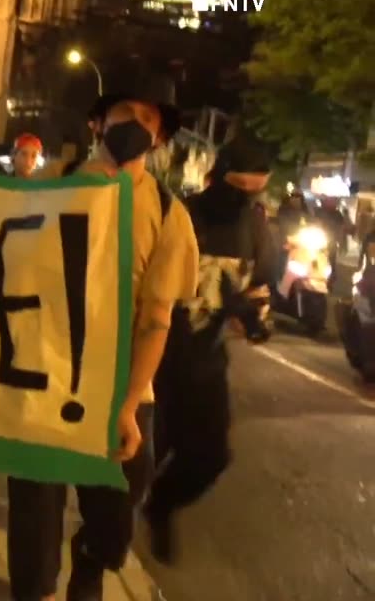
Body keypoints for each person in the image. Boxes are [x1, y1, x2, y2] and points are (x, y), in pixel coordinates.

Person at [7, 100, 199, 601]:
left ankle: (91, 559)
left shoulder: (167, 213)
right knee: (32, 519)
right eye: (123, 111)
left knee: (116, 518)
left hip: (122, 389)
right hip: (42, 379)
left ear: (159, 139)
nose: (135, 125)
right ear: (97, 123)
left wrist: (130, 404)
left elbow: (157, 318)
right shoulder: (50, 181)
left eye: (149, 119)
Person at [144, 135, 275, 565]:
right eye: (239, 190)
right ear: (216, 179)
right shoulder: (179, 216)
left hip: (205, 367)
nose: (245, 201)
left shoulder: (255, 230)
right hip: (153, 362)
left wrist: (254, 318)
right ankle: (96, 554)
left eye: (256, 192)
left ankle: (159, 506)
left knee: (210, 457)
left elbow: (258, 292)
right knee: (133, 463)